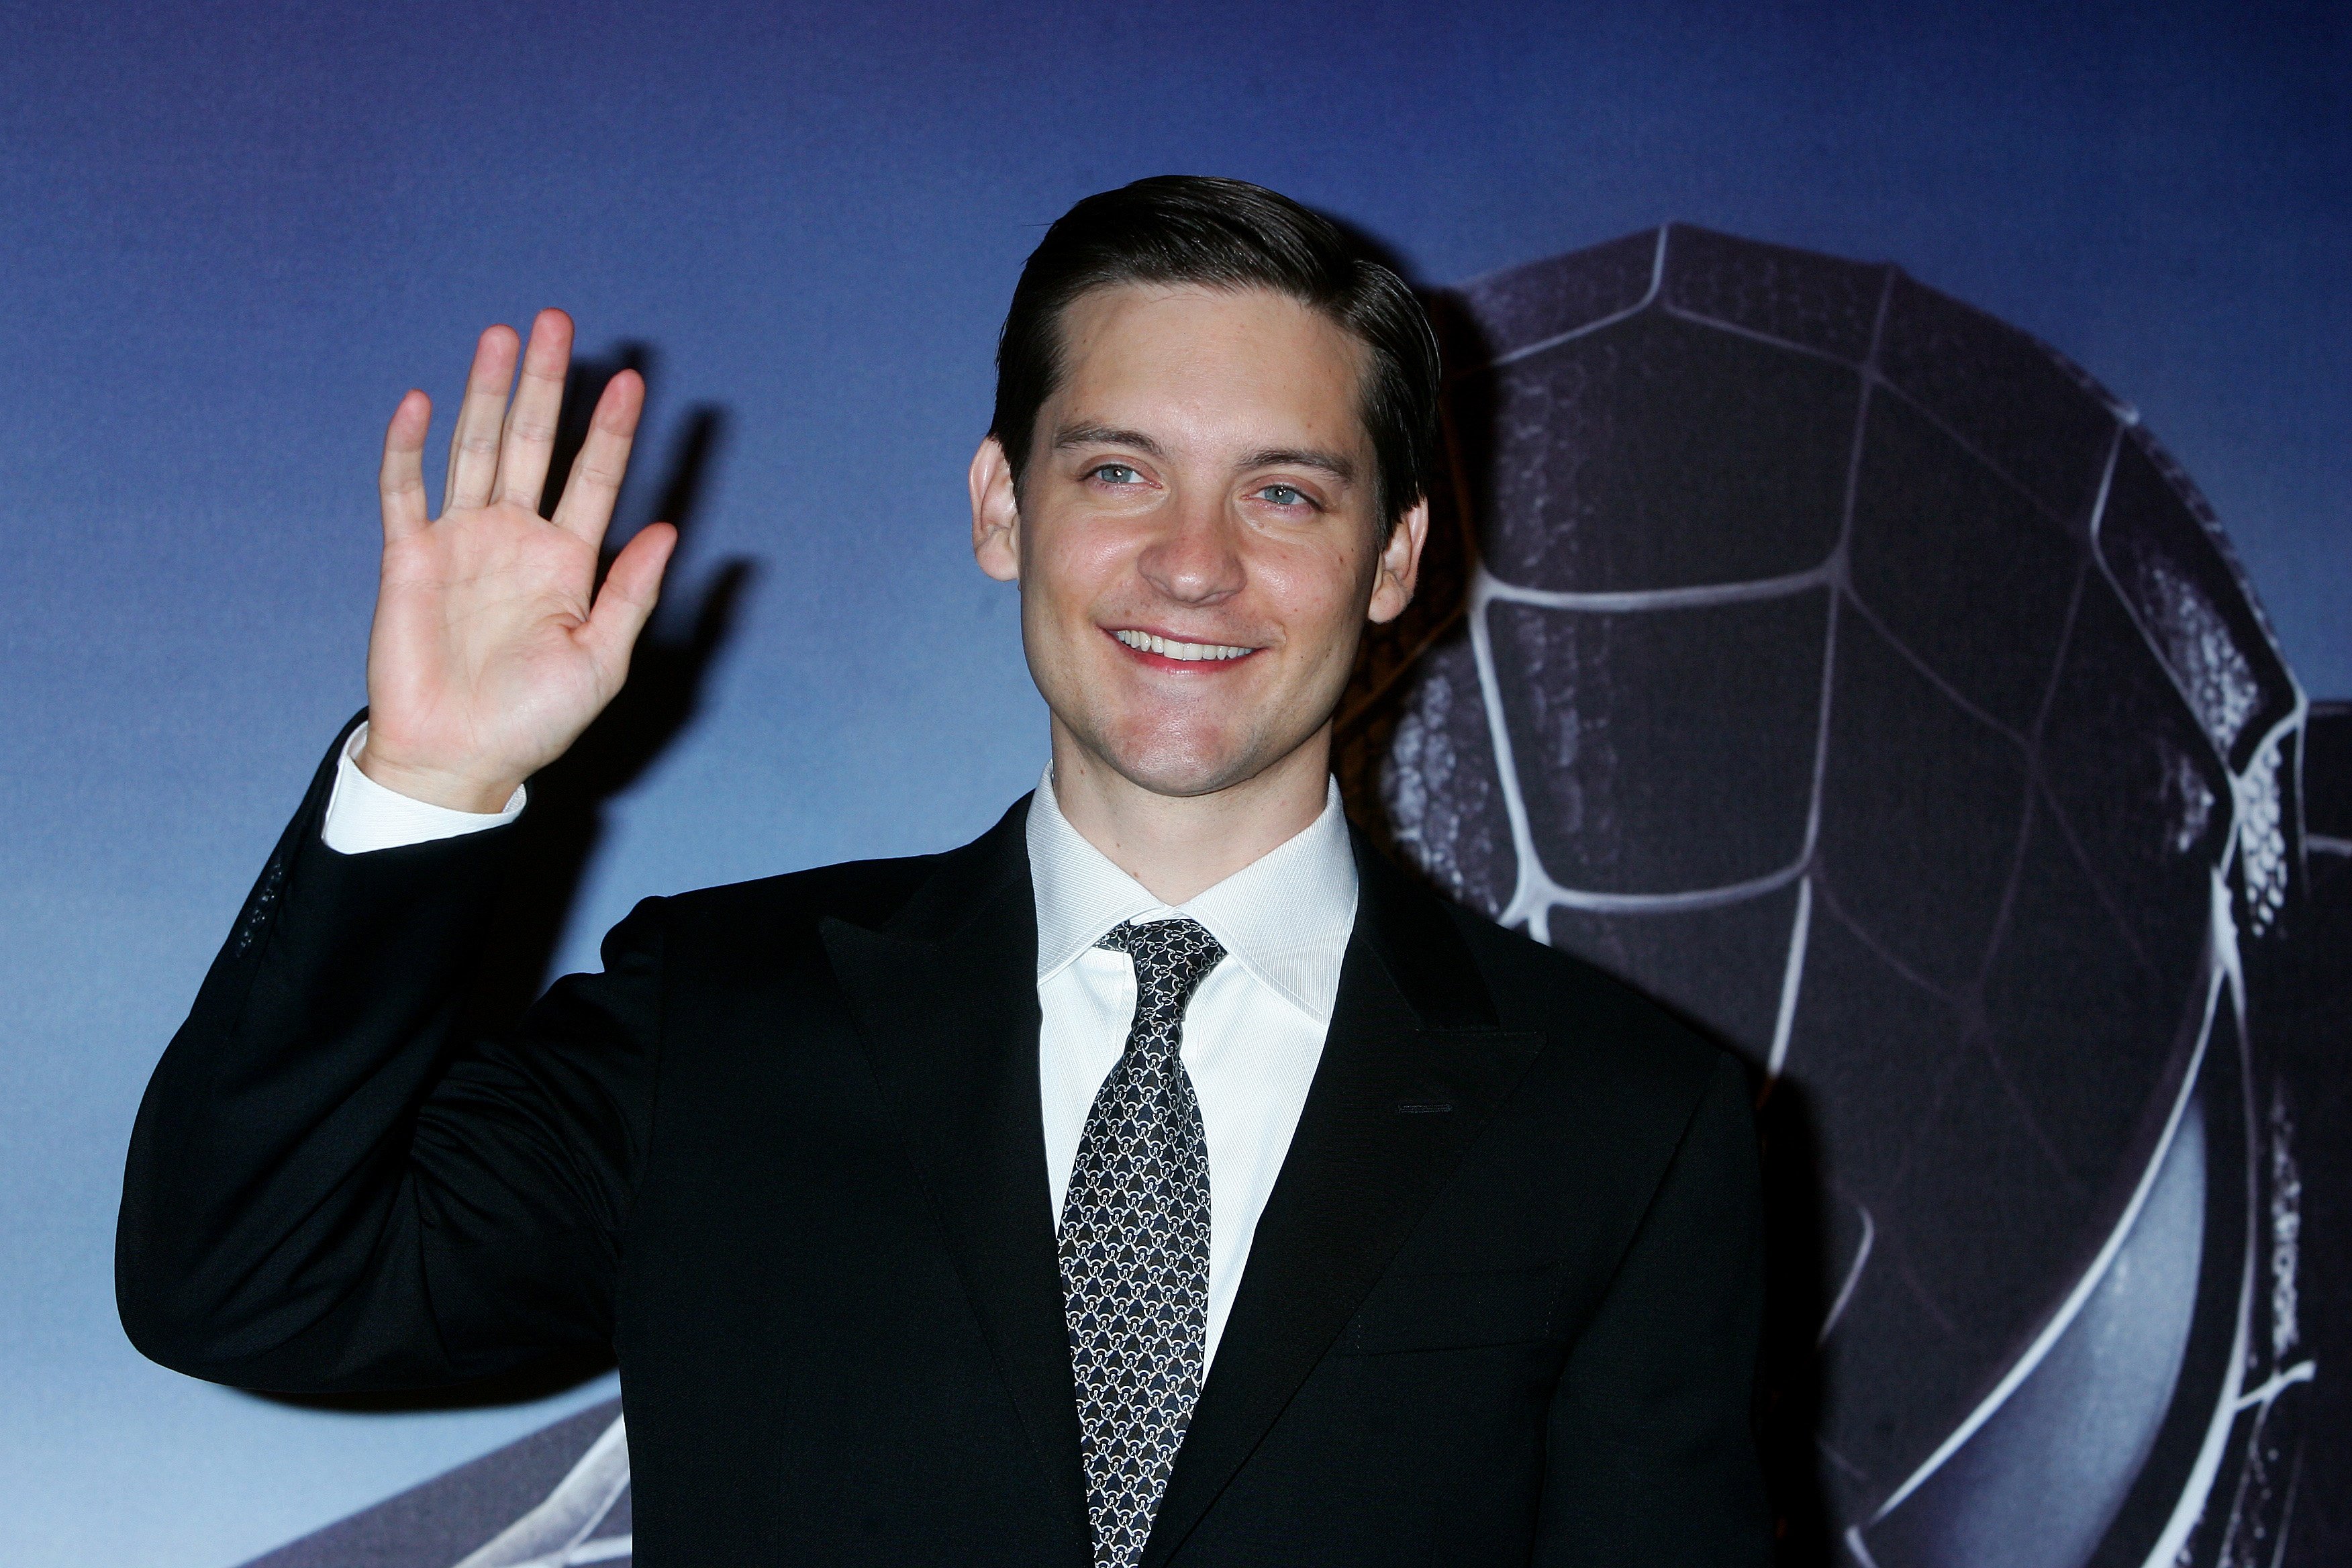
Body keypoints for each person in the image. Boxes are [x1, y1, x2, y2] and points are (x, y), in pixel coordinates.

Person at [117, 177, 1770, 1567]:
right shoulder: (721, 1022)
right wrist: (434, 776)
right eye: (1118, 471)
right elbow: (249, 1277)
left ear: (1396, 554)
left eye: (1285, 490)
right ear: (1002, 508)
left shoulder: (1627, 1124)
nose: (1194, 564)